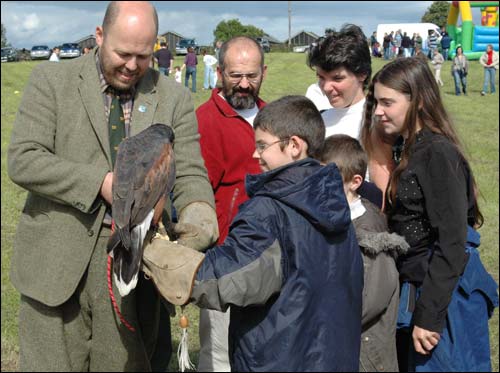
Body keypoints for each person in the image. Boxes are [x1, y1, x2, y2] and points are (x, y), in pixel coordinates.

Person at [7, 1, 218, 371]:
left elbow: (189, 174)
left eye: (143, 55)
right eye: (122, 53)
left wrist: (199, 221)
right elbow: (24, 159)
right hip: (55, 267)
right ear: (99, 36)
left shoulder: (175, 98)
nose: (132, 65)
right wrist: (102, 184)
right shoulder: (51, 81)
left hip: (135, 272)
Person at [157, 95, 364, 371]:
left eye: (263, 145)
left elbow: (226, 278)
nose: (255, 154)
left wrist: (156, 251)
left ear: (293, 145)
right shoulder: (335, 201)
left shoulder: (268, 211)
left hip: (277, 360)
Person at [364, 57, 498, 372]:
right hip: (422, 288)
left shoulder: (437, 153)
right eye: (376, 102)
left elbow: (452, 242)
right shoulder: (409, 147)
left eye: (387, 102)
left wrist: (429, 316)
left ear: (419, 101)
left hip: (445, 296)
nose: (378, 111)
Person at [195, 35, 266, 372]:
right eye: (236, 75)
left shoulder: (273, 117)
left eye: (251, 75)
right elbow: (197, 192)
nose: (243, 84)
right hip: (225, 257)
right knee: (220, 352)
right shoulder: (205, 121)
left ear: (263, 72)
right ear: (220, 72)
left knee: (263, 344)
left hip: (270, 255)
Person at [318, 134, 409, 372]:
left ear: (355, 181)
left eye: (329, 180)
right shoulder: (329, 220)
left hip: (366, 357)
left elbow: (365, 305)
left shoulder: (370, 238)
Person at [307, 24, 386, 209]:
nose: (326, 87)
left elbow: (384, 199)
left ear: (362, 75)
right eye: (321, 77)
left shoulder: (378, 120)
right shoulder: (319, 119)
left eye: (337, 78)